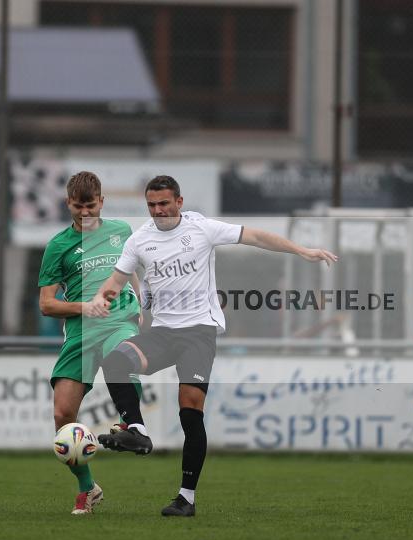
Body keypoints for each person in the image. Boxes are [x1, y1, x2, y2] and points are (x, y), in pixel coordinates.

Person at [88, 174, 337, 517]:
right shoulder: (140, 240)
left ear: (179, 202)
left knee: (190, 411)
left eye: (164, 203)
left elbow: (255, 236)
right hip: (162, 332)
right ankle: (137, 430)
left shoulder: (201, 228)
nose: (158, 211)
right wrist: (101, 299)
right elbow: (116, 280)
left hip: (198, 334)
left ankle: (185, 498)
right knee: (115, 361)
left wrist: (300, 250)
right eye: (152, 205)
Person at [38, 171, 143, 515]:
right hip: (81, 332)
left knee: (122, 359)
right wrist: (85, 306)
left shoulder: (122, 232)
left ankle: (131, 426)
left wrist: (139, 306)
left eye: (91, 205)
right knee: (62, 415)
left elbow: (131, 271)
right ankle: (88, 488)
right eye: (78, 206)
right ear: (68, 203)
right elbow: (47, 304)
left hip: (117, 320)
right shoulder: (58, 246)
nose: (85, 212)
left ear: (102, 202)